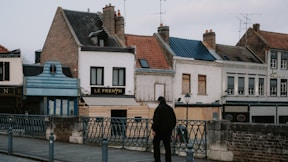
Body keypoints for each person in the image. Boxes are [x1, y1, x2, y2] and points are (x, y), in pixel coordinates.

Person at [152, 96, 177, 162]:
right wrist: (171, 128)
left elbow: (156, 120)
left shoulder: (158, 109)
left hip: (159, 131)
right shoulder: (170, 109)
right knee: (167, 146)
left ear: (159, 101)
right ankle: (168, 160)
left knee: (156, 144)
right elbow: (174, 120)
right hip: (167, 131)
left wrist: (154, 129)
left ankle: (157, 159)